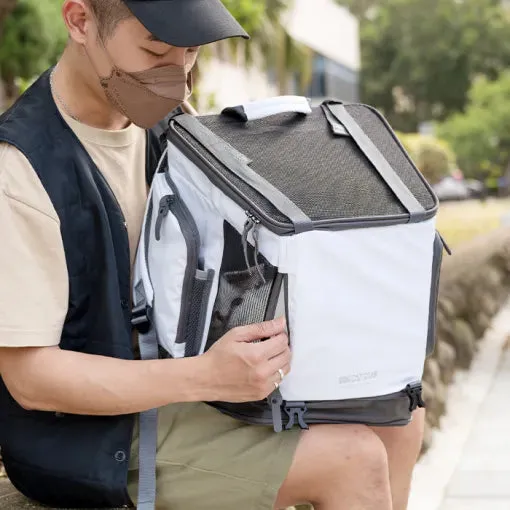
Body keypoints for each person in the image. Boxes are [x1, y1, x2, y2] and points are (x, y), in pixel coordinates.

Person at [0, 1, 425, 509]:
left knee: (397, 411)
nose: (177, 76)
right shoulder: (20, 168)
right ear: (80, 21)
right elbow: (29, 379)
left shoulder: (165, 122)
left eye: (191, 53)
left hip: (179, 379)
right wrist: (205, 376)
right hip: (89, 436)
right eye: (156, 49)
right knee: (352, 459)